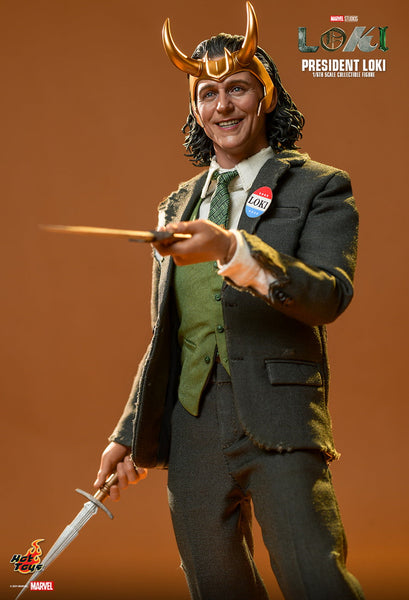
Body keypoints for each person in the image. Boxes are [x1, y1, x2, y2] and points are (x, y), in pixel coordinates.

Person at [94, 3, 365, 598]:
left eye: (237, 87)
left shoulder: (318, 186)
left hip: (278, 416)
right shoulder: (176, 205)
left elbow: (327, 295)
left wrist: (233, 248)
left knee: (316, 579)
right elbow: (171, 332)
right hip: (191, 423)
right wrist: (130, 431)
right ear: (195, 109)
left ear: (266, 94)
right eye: (207, 94)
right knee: (215, 585)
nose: (223, 106)